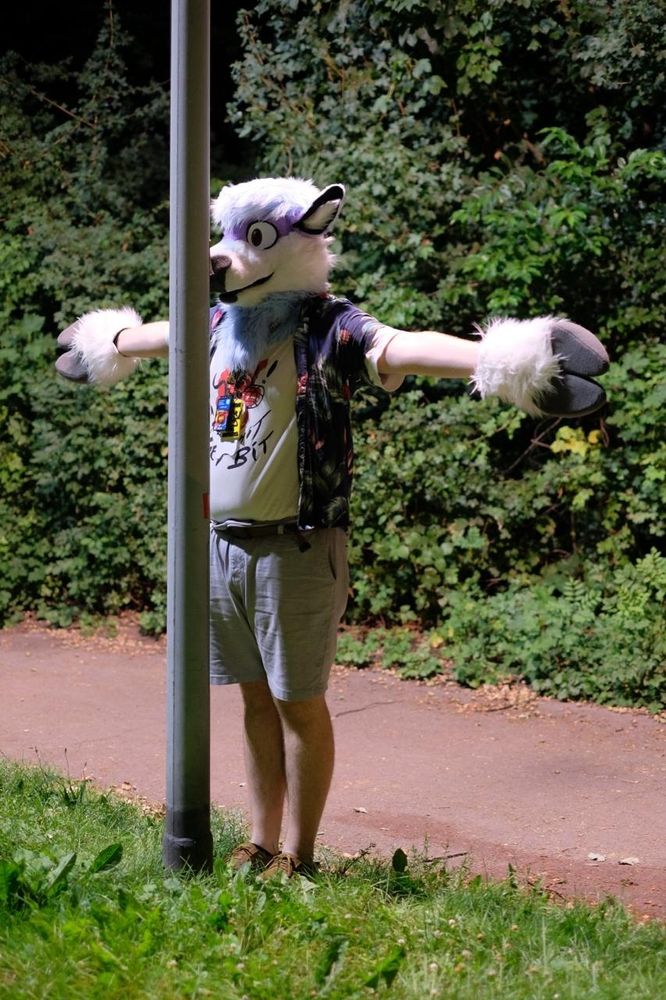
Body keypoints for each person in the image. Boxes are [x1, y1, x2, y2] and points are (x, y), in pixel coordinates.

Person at [55, 176, 608, 878]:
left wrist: (506, 361)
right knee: (254, 699)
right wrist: (112, 342)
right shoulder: (221, 324)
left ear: (298, 241)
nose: (226, 257)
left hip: (298, 541)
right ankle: (260, 843)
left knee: (296, 701)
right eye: (227, 239)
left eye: (252, 241)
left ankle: (301, 854)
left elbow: (400, 348)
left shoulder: (326, 325)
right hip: (221, 543)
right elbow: (158, 337)